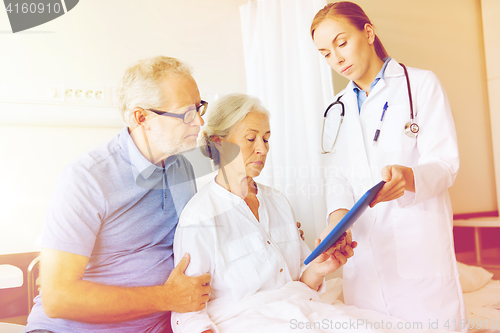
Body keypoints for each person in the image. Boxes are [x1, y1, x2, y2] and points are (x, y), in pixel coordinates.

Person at [170, 94, 450, 333]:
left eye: (267, 139)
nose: (262, 149)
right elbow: (188, 313)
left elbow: (300, 279)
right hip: (247, 321)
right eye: (251, 138)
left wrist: (321, 267)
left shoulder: (277, 202)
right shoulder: (199, 216)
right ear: (219, 143)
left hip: (300, 309)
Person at [25, 56, 212, 333]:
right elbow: (58, 297)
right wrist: (167, 297)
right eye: (186, 113)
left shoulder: (181, 166)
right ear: (141, 118)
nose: (199, 122)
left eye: (199, 108)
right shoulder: (87, 178)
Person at [311, 2, 466, 332]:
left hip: (418, 245)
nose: (336, 59)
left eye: (341, 43)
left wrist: (409, 178)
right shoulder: (335, 108)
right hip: (363, 254)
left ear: (367, 32)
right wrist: (338, 217)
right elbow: (336, 173)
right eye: (325, 53)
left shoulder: (421, 85)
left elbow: (444, 163)